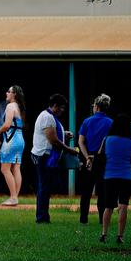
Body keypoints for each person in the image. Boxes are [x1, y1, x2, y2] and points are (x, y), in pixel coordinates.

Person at [31, 94, 78, 224]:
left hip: (46, 155)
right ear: (55, 106)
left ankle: (43, 216)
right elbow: (53, 140)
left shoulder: (50, 117)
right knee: (44, 187)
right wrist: (70, 150)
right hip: (43, 156)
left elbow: (53, 134)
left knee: (46, 187)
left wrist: (64, 133)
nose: (63, 110)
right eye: (62, 108)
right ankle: (41, 217)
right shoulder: (47, 117)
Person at [100, 115, 131, 244]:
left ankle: (104, 234)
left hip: (109, 176)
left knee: (108, 206)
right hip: (126, 176)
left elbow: (101, 155)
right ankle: (120, 236)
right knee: (123, 206)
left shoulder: (107, 140)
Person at [77, 94, 113, 224]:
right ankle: (101, 220)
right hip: (104, 159)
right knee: (102, 191)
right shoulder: (111, 122)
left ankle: (83, 219)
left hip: (89, 157)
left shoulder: (87, 121)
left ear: (96, 107)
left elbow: (81, 141)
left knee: (86, 191)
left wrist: (87, 157)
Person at [0, 85, 26, 206]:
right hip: (20, 139)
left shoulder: (10, 106)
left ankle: (13, 197)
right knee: (16, 168)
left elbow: (7, 124)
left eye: (9, 91)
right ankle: (15, 197)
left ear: (14, 94)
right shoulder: (20, 107)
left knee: (5, 169)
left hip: (11, 139)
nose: (6, 93)